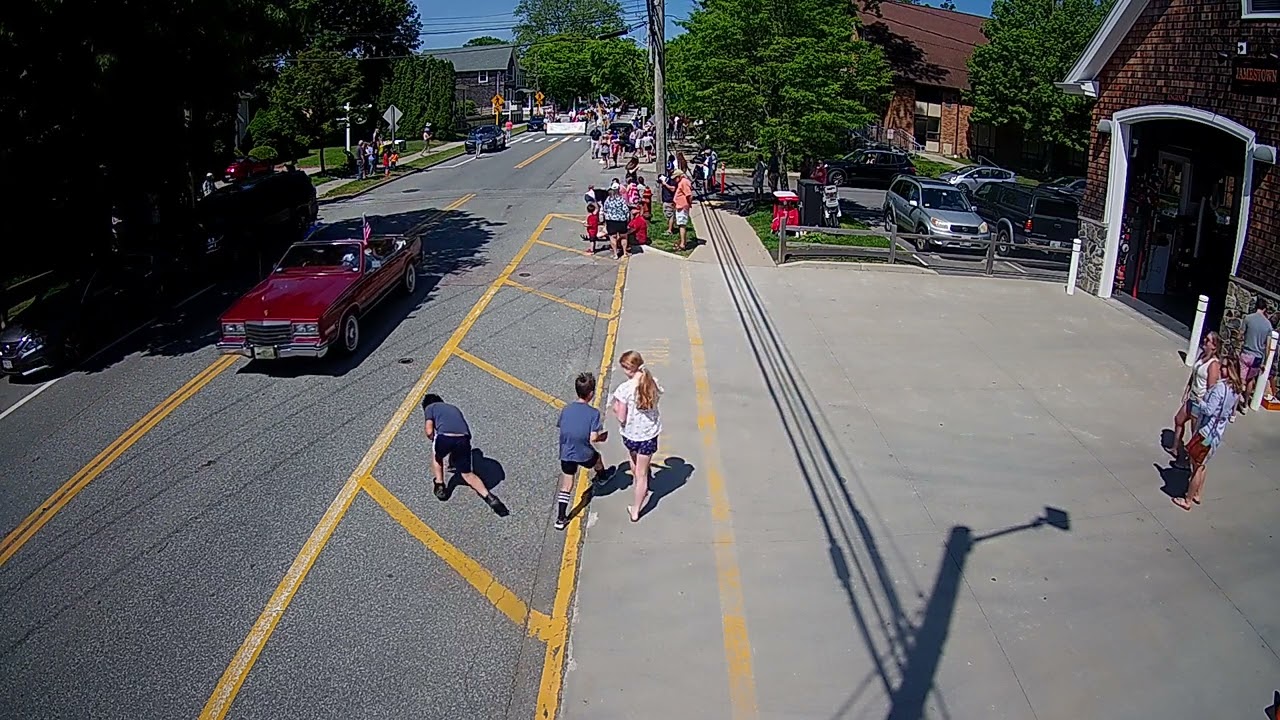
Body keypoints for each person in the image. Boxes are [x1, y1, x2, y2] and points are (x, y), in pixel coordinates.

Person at [1173, 354, 1242, 511]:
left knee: (1196, 466)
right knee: (1202, 464)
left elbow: (1209, 410)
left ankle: (1187, 500)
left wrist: (1200, 402)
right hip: (1217, 434)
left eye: (1224, 366)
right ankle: (1197, 493)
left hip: (1206, 432)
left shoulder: (1220, 388)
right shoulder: (1236, 389)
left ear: (1230, 369)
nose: (1221, 369)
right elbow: (1231, 412)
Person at [422, 393, 508, 515]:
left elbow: (429, 431)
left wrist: (434, 438)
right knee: (467, 474)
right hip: (464, 439)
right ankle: (490, 498)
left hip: (445, 437)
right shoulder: (453, 408)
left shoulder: (430, 408)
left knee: (437, 457)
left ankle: (440, 484)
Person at [611, 350, 663, 523]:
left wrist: (615, 408)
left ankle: (636, 508)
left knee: (636, 468)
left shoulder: (624, 389)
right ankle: (641, 491)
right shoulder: (652, 382)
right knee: (642, 471)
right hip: (648, 434)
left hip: (631, 435)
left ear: (628, 368)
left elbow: (621, 417)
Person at [553, 373, 610, 530]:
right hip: (583, 452)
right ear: (591, 394)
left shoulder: (566, 409)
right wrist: (602, 436)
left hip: (566, 451)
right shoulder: (593, 413)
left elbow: (563, 427)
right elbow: (593, 437)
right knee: (597, 458)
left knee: (568, 483)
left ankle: (560, 518)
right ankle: (602, 476)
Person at [1169, 331, 1221, 466]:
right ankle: (1175, 448)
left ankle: (1188, 462)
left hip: (1200, 403)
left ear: (1214, 346)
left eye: (1208, 340)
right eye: (1206, 338)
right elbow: (1194, 374)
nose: (1205, 341)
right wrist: (1187, 390)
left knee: (1195, 434)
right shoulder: (1202, 355)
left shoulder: (1213, 365)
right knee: (1178, 419)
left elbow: (1212, 389)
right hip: (1192, 397)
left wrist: (1205, 405)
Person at [1238, 297, 1274, 414]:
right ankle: (1245, 404)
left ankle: (1235, 404)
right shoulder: (1268, 325)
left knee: (1241, 379)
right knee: (1250, 380)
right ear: (1265, 309)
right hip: (1257, 357)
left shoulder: (1248, 318)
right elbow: (1268, 346)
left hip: (1246, 353)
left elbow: (1240, 335)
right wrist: (1265, 361)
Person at [601, 183, 631, 259]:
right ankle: (624, 253)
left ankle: (615, 254)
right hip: (621, 220)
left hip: (611, 221)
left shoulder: (608, 199)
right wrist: (627, 219)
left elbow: (605, 210)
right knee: (624, 237)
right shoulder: (621, 199)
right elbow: (626, 210)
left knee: (612, 237)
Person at [672, 169, 694, 251]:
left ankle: (682, 244)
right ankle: (682, 241)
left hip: (682, 206)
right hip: (680, 206)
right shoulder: (682, 182)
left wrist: (688, 204)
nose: (674, 180)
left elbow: (689, 195)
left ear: (679, 176)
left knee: (682, 225)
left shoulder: (684, 182)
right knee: (680, 224)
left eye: (675, 178)